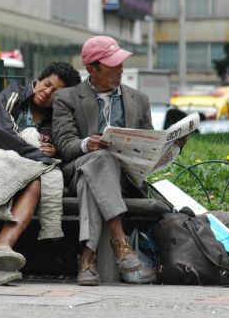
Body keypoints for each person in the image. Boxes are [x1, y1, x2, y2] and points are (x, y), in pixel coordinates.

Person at [53, 36, 182, 286]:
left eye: (121, 64)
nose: (120, 70)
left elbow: (150, 146)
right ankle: (120, 244)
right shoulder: (67, 98)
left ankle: (86, 260)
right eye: (113, 66)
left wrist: (172, 146)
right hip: (79, 167)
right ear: (92, 69)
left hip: (124, 178)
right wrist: (86, 143)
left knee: (94, 179)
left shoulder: (139, 100)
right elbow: (64, 145)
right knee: (100, 159)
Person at [0, 62, 81, 285]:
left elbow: (62, 146)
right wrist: (36, 153)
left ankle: (1, 249)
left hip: (25, 173)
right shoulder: (13, 94)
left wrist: (52, 149)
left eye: (56, 92)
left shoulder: (57, 118)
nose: (47, 93)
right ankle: (0, 264)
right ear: (38, 80)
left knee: (35, 184)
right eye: (47, 84)